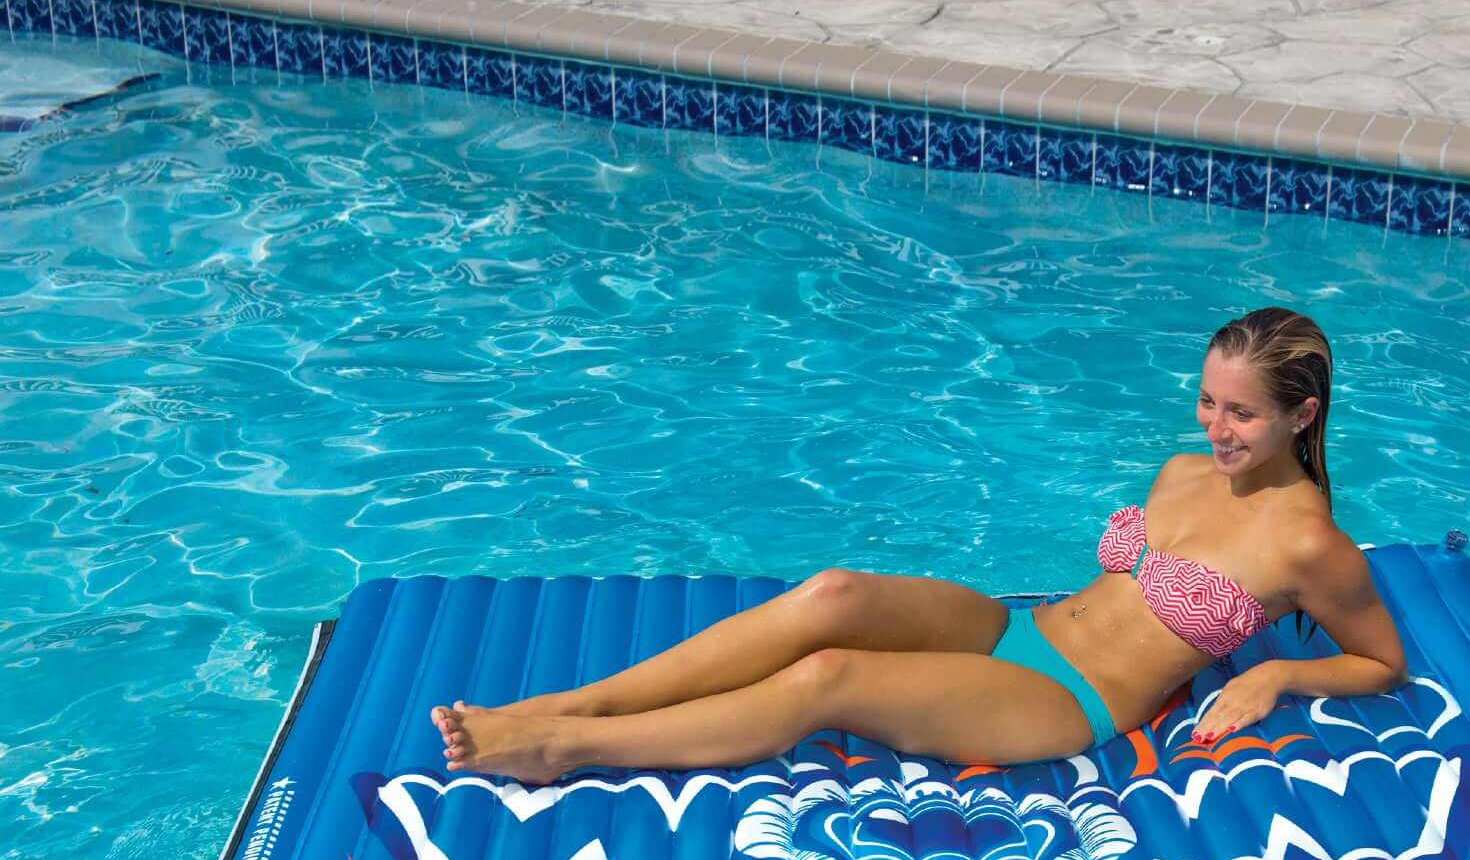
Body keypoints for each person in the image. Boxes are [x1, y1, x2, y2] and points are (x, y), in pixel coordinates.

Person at [431, 306, 1407, 786]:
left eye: (1240, 413)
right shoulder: (1179, 471)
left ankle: (567, 745)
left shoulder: (1308, 544)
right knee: (833, 596)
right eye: (1206, 399)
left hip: (1069, 700)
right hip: (1017, 630)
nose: (1213, 427)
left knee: (829, 678)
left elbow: (1380, 659)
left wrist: (1278, 679)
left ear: (1301, 414)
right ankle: (572, 697)